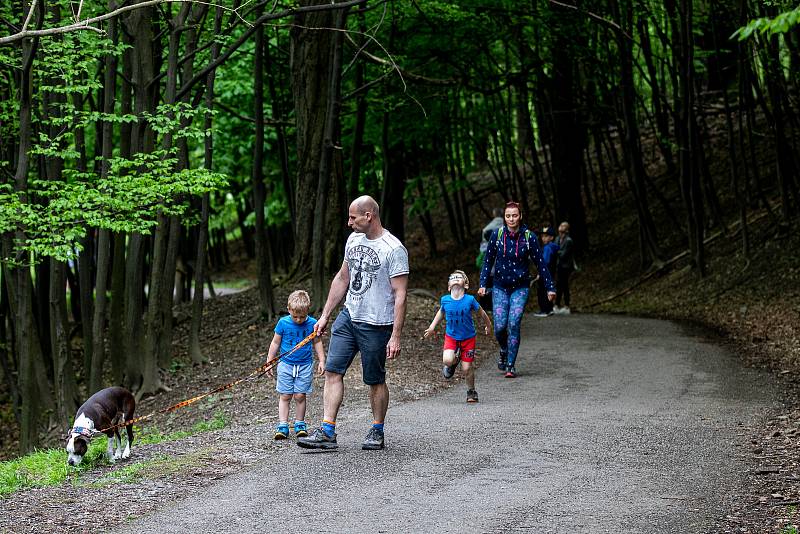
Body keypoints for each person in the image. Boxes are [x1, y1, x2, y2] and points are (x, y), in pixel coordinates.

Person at [298, 195, 408, 451]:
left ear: (368, 216)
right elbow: (342, 277)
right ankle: (327, 431)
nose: (349, 223)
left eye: (353, 217)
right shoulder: (353, 239)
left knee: (374, 379)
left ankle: (377, 430)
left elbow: (401, 295)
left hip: (377, 323)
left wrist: (396, 335)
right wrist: (325, 315)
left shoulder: (393, 249)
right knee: (333, 371)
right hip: (349, 317)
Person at [477, 201, 555, 378]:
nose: (511, 219)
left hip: (520, 287)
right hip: (500, 287)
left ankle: (510, 364)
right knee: (499, 327)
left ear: (520, 216)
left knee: (514, 323)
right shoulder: (497, 235)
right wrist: (483, 284)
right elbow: (487, 261)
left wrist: (550, 287)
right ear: (504, 218)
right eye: (508, 216)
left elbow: (540, 264)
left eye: (514, 215)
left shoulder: (529, 237)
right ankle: (504, 349)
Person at [423, 270, 492, 403]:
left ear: (465, 285)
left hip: (468, 338)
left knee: (467, 368)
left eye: (459, 277)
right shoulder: (445, 300)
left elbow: (482, 313)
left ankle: (471, 391)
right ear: (449, 286)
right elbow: (440, 313)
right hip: (452, 337)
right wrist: (432, 327)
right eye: (452, 277)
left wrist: (488, 326)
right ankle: (454, 363)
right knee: (447, 360)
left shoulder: (470, 300)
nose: (455, 278)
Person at [266, 290, 326, 440]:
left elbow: (317, 341)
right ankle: (283, 425)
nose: (299, 320)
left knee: (300, 395)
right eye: (295, 316)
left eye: (302, 316)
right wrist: (269, 362)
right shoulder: (283, 323)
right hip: (285, 365)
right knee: (285, 395)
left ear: (308, 310)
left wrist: (322, 360)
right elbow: (275, 342)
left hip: (305, 365)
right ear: (289, 310)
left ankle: (300, 424)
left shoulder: (312, 323)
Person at [476, 208, 504, 311]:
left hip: (489, 262)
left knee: (486, 284)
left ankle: (485, 306)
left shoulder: (487, 229)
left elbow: (483, 248)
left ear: (493, 214)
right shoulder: (507, 228)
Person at [533, 226, 559, 317]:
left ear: (551, 237)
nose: (543, 238)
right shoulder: (553, 247)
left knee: (542, 291)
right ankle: (550, 309)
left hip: (545, 273)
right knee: (548, 290)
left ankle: (544, 310)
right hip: (551, 273)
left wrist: (540, 273)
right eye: (542, 236)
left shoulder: (548, 248)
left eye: (546, 236)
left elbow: (545, 261)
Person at [555, 221, 575, 314]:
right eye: (561, 225)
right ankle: (557, 305)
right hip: (559, 266)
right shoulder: (557, 238)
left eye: (563, 226)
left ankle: (566, 306)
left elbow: (563, 255)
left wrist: (556, 251)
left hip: (566, 267)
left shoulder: (568, 241)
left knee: (564, 285)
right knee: (559, 285)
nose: (561, 227)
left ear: (567, 230)